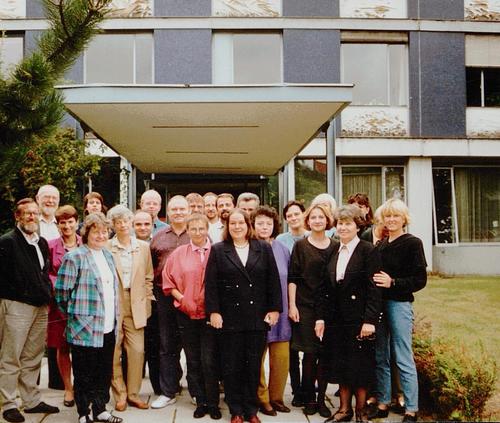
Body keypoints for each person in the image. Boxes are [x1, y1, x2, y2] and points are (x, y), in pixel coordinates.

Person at [205, 208, 282, 423]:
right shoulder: (219, 250)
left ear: (249, 226)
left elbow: (273, 282)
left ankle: (251, 410)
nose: (237, 227)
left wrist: (275, 309)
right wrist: (214, 312)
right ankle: (236, 410)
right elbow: (211, 285)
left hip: (257, 317)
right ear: (228, 227)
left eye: (241, 223)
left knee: (253, 365)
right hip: (229, 318)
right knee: (232, 365)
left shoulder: (263, 248)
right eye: (232, 224)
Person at [315, 205, 382, 423]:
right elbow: (325, 287)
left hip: (360, 319)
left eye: (348, 223)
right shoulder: (333, 250)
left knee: (360, 366)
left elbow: (374, 289)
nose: (343, 227)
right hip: (337, 320)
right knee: (341, 364)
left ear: (358, 226)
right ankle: (344, 410)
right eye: (340, 223)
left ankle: (361, 411)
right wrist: (321, 317)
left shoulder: (368, 250)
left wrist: (370, 321)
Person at [56, 212, 122, 423]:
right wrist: (77, 315)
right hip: (84, 327)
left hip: (107, 326)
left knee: (104, 370)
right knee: (84, 372)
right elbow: (62, 293)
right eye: (96, 232)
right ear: (86, 233)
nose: (101, 236)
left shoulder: (108, 256)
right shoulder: (74, 257)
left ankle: (101, 409)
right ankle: (83, 413)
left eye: (104, 232)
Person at [0, 198, 60, 423]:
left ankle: (31, 400)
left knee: (33, 355)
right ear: (18, 216)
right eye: (27, 214)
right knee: (11, 356)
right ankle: (8, 403)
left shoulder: (41, 242)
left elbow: (43, 271)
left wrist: (45, 292)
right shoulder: (7, 242)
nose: (32, 217)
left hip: (40, 306)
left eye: (35, 214)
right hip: (17, 306)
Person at [372, 199, 427, 423]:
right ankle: (383, 402)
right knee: (380, 355)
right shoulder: (381, 245)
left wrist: (393, 283)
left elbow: (420, 279)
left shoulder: (412, 243)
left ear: (404, 219)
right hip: (379, 305)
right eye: (388, 216)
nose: (391, 220)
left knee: (403, 355)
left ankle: (411, 409)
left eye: (396, 216)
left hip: (399, 304)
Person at [162, 213, 221, 420]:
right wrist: (183, 297)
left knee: (210, 359)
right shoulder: (179, 253)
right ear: (187, 231)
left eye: (201, 228)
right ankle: (200, 400)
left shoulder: (218, 251)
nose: (197, 232)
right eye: (193, 229)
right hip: (186, 314)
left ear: (207, 229)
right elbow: (167, 281)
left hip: (211, 315)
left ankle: (213, 402)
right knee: (193, 359)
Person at [288, 204, 335, 418]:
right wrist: (292, 305)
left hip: (328, 308)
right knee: (309, 353)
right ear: (309, 220)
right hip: (305, 306)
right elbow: (293, 279)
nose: (317, 220)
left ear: (327, 220)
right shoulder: (300, 246)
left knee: (324, 354)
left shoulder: (335, 246)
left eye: (321, 217)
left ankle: (321, 399)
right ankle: (308, 398)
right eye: (313, 217)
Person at [107, 205, 154, 411]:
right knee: (113, 350)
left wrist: (147, 299)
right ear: (113, 225)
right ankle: (120, 393)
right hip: (114, 303)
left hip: (136, 302)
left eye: (126, 221)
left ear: (131, 223)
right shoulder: (107, 246)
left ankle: (134, 393)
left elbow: (148, 276)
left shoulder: (142, 247)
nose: (123, 225)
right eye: (118, 222)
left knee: (137, 350)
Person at [150, 195, 190, 409]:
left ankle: (196, 390)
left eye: (182, 209)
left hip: (190, 296)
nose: (178, 213)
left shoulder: (196, 234)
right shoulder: (158, 237)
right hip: (164, 297)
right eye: (174, 209)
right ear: (168, 211)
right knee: (167, 345)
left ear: (188, 211)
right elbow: (151, 267)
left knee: (192, 345)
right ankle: (169, 391)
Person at [251, 206, 291, 416]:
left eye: (268, 223)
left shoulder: (283, 249)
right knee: (257, 357)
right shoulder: (249, 247)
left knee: (282, 358)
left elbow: (291, 280)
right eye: (260, 223)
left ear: (274, 225)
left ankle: (277, 398)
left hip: (281, 312)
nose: (264, 227)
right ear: (253, 225)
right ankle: (262, 398)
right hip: (257, 312)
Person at [47, 206, 82, 408]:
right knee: (63, 347)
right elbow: (47, 273)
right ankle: (68, 388)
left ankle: (80, 386)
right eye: (62, 222)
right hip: (60, 304)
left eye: (70, 222)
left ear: (77, 222)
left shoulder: (85, 243)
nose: (67, 226)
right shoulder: (50, 246)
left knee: (82, 349)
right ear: (58, 224)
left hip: (83, 304)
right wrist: (62, 288)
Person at [275, 200, 308, 407]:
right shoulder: (281, 240)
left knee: (310, 347)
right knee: (292, 347)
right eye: (289, 215)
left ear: (303, 215)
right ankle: (297, 389)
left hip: (309, 298)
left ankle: (309, 387)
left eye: (297, 214)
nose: (293, 218)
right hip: (289, 298)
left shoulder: (311, 235)